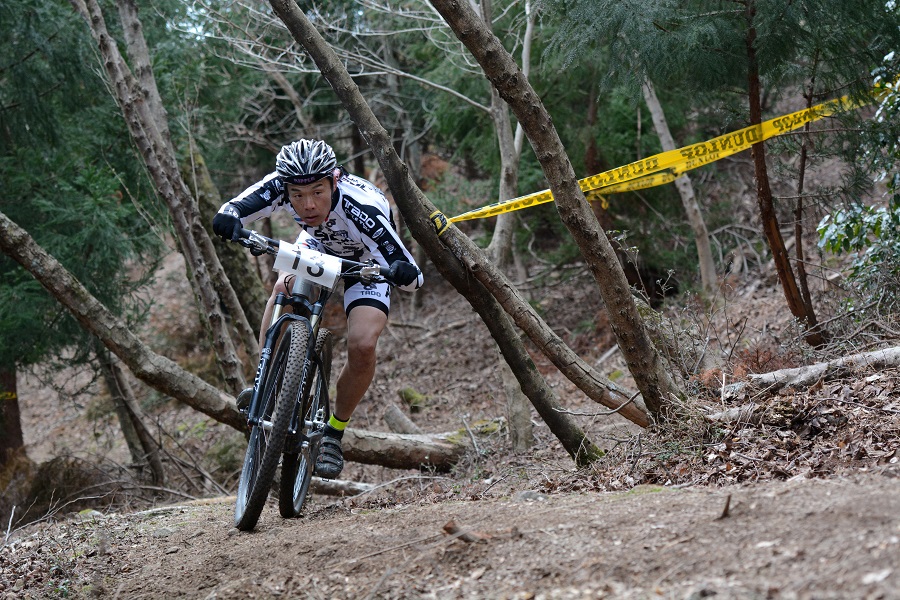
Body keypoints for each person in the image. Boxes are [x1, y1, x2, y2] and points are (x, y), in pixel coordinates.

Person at [212, 139, 423, 479]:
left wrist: (403, 271)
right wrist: (228, 218)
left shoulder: (363, 207)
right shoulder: (282, 185)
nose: (307, 204)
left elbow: (408, 272)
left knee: (363, 345)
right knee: (284, 287)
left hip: (366, 264)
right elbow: (234, 207)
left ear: (334, 180)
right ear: (286, 188)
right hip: (317, 248)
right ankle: (265, 380)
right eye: (297, 195)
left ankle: (334, 433)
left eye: (317, 192)